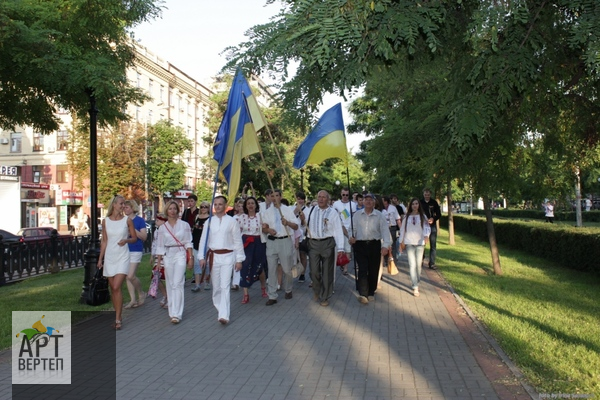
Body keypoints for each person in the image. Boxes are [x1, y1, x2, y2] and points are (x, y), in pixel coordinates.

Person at [198, 195, 245, 324]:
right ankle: (220, 308)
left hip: (228, 256)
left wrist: (239, 259)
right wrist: (201, 257)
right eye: (216, 204)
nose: (218, 206)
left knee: (225, 285)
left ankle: (224, 315)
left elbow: (237, 242)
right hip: (213, 257)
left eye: (220, 204)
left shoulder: (231, 221)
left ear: (225, 206)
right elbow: (204, 240)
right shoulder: (209, 221)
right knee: (217, 286)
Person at [97, 195, 138, 330]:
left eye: (124, 204)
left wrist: (126, 240)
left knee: (115, 287)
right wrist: (100, 259)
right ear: (114, 205)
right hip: (109, 257)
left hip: (123, 256)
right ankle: (117, 316)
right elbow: (104, 241)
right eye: (121, 204)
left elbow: (134, 238)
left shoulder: (127, 221)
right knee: (113, 289)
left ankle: (118, 319)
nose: (123, 206)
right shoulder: (106, 221)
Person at [303, 190, 345, 307]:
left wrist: (341, 248)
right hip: (313, 244)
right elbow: (302, 223)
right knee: (314, 271)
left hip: (327, 244)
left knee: (327, 272)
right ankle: (317, 290)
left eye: (323, 197)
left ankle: (325, 296)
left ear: (328, 199)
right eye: (319, 197)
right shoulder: (311, 210)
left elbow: (338, 230)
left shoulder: (333, 213)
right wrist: (301, 219)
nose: (321, 199)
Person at [155, 200, 194, 324]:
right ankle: (172, 311)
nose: (172, 211)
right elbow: (160, 247)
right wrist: (158, 263)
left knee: (178, 283)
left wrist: (191, 258)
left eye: (174, 208)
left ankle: (177, 313)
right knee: (170, 284)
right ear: (167, 211)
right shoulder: (162, 227)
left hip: (180, 254)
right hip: (168, 255)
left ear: (178, 210)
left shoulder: (184, 225)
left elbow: (188, 242)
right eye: (170, 209)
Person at [349, 193, 391, 304]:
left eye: (370, 200)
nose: (368, 202)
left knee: (373, 269)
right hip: (360, 244)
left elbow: (385, 232)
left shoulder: (379, 215)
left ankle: (371, 291)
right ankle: (363, 293)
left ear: (374, 202)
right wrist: (351, 237)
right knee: (362, 269)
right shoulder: (357, 215)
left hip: (374, 244)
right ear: (362, 202)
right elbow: (351, 229)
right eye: (366, 200)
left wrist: (385, 246)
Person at [261, 189, 299, 306]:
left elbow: (296, 226)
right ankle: (272, 295)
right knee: (271, 269)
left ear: (281, 196)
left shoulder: (287, 210)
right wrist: (268, 230)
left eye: (276, 195)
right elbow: (263, 228)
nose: (274, 198)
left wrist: (287, 223)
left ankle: (288, 289)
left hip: (285, 240)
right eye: (272, 196)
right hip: (272, 242)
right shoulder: (267, 212)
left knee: (287, 268)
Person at [237, 196, 268, 303]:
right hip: (246, 243)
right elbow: (237, 232)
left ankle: (263, 288)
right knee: (245, 265)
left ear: (256, 205)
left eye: (252, 203)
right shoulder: (241, 217)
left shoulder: (261, 216)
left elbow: (266, 228)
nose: (250, 205)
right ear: (245, 206)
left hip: (258, 242)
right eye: (248, 203)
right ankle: (245, 293)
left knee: (259, 266)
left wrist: (266, 226)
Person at [399, 198, 431, 297]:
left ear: (419, 205)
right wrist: (401, 243)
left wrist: (426, 235)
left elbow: (427, 227)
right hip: (409, 243)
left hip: (420, 243)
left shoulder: (423, 216)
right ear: (410, 206)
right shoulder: (406, 217)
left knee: (418, 265)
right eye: (413, 204)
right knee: (412, 265)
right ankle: (415, 286)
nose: (415, 205)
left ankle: (417, 280)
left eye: (416, 204)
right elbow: (402, 230)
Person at [123, 200, 148, 309]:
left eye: (127, 207)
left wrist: (133, 230)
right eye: (124, 207)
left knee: (131, 275)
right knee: (127, 276)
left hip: (136, 249)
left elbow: (144, 236)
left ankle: (141, 293)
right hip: (124, 250)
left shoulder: (139, 221)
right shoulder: (122, 220)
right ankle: (132, 299)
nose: (125, 209)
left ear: (133, 208)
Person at [332, 187, 356, 275]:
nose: (345, 196)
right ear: (341, 194)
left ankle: (345, 268)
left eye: (347, 195)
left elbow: (354, 217)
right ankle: (341, 262)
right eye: (343, 195)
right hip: (338, 228)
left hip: (349, 228)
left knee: (348, 249)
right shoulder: (336, 204)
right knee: (338, 247)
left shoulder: (352, 204)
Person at [191, 201, 211, 291]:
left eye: (205, 207)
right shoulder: (197, 217)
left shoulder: (211, 219)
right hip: (195, 242)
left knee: (206, 264)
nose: (203, 208)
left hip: (206, 244)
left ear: (208, 208)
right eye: (202, 207)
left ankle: (207, 282)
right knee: (196, 263)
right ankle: (197, 284)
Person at [420, 188, 441, 270]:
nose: (427, 196)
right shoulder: (420, 202)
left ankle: (432, 263)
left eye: (428, 195)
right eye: (425, 194)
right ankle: (421, 259)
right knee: (422, 244)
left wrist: (433, 219)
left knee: (433, 245)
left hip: (432, 226)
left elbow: (439, 214)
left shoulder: (434, 202)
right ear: (423, 194)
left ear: (430, 195)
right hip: (423, 226)